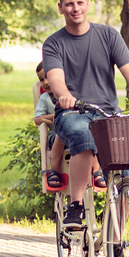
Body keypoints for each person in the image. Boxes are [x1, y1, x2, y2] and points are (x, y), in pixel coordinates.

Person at [42, 0, 129, 230]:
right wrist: (64, 95)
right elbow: (55, 79)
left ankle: (116, 241)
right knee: (83, 136)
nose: (75, 8)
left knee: (128, 168)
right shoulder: (54, 43)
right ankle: (75, 207)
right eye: (69, 4)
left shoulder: (108, 35)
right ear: (60, 8)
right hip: (72, 112)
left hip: (108, 113)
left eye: (79, 2)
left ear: (87, 4)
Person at [34, 62, 105, 191]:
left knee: (91, 134)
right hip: (56, 136)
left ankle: (96, 171)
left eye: (47, 77)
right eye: (41, 79)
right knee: (60, 135)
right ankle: (55, 171)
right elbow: (37, 120)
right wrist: (53, 117)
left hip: (77, 132)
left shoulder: (70, 95)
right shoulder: (45, 98)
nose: (45, 82)